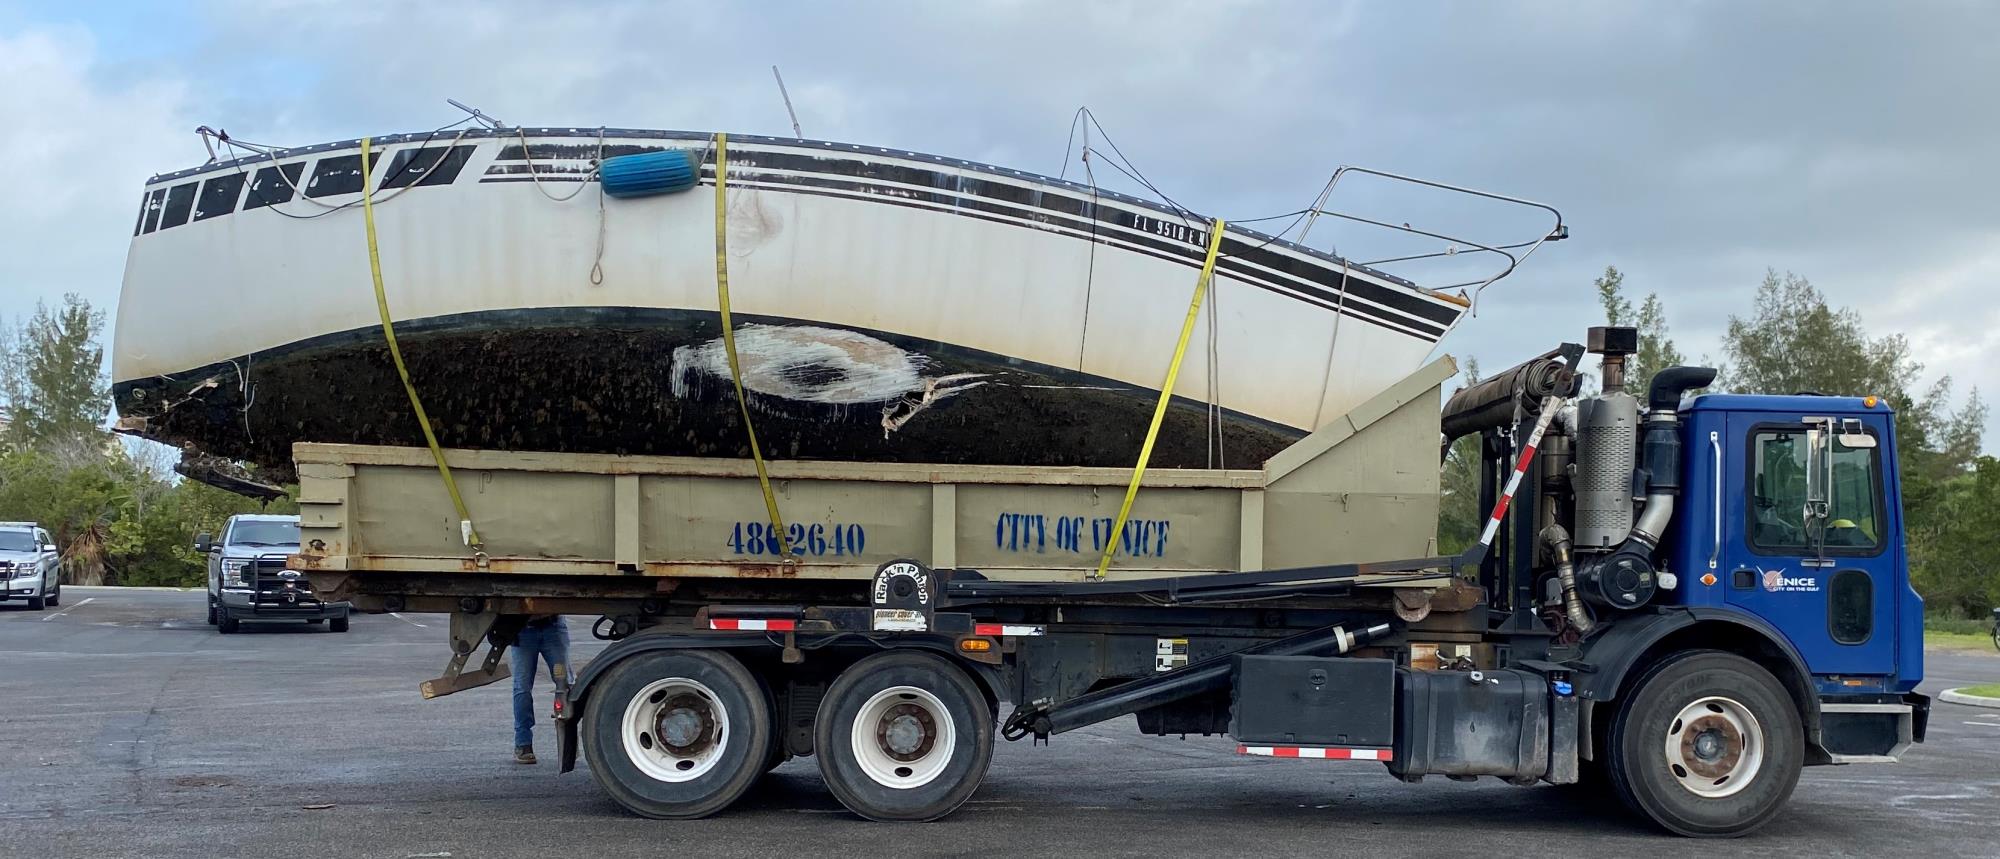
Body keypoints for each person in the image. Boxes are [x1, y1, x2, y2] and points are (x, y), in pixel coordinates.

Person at [511, 614, 571, 764]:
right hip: (523, 628)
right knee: (522, 688)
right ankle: (523, 744)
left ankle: (569, 744)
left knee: (565, 686)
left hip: (553, 627)